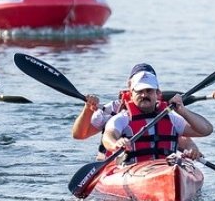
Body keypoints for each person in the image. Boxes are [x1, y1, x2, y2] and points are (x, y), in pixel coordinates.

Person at [73, 63, 203, 159]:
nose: (144, 94)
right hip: (119, 165)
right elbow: (79, 135)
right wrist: (88, 109)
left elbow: (182, 138)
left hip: (159, 167)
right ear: (130, 87)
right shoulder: (112, 110)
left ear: (156, 91)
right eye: (140, 90)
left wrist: (192, 149)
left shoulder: (163, 112)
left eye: (148, 89)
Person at [101, 67, 212, 164]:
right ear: (131, 94)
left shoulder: (171, 118)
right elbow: (108, 136)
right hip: (133, 170)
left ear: (158, 94)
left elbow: (206, 130)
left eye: (149, 91)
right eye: (139, 91)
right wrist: (116, 144)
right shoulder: (121, 119)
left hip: (166, 168)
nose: (144, 95)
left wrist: (183, 111)